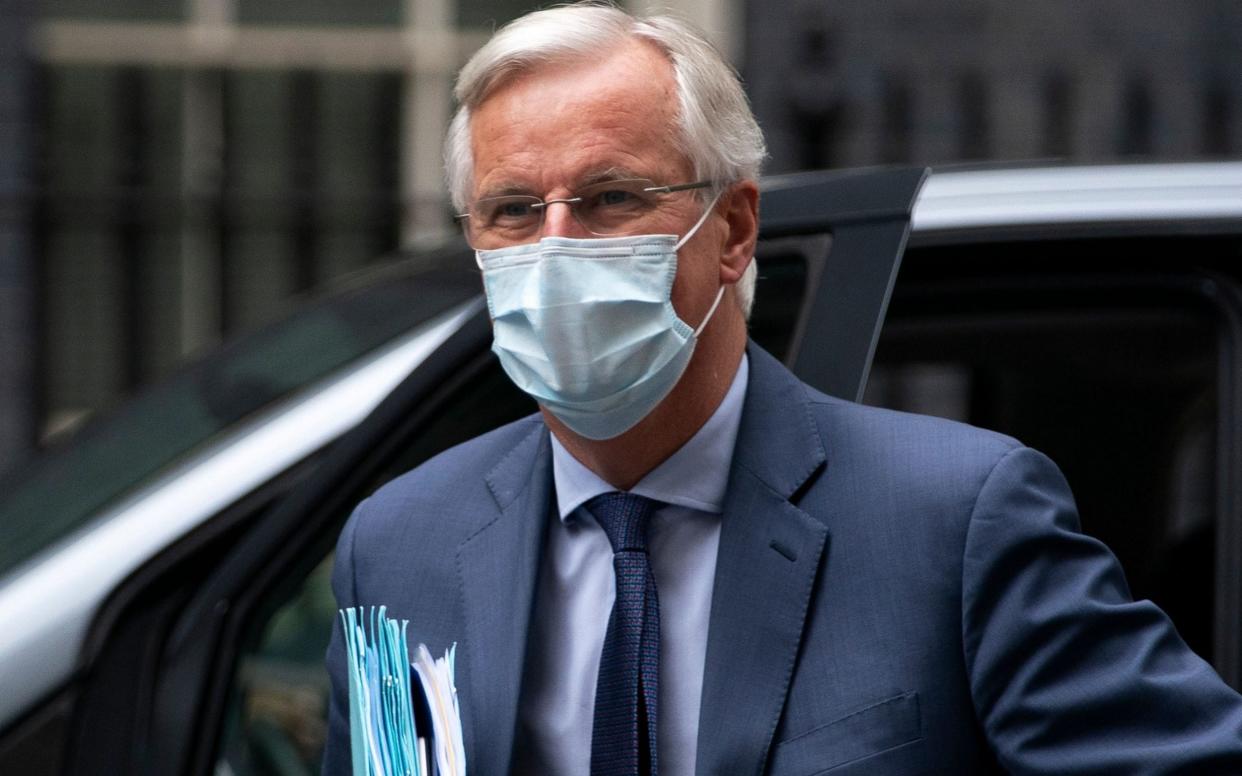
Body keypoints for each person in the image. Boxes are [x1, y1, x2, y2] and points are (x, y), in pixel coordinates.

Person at [323, 4, 1242, 774]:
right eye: (514, 210)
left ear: (732, 228)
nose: (558, 245)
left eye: (612, 198)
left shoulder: (955, 521)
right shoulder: (401, 545)